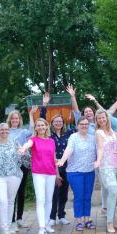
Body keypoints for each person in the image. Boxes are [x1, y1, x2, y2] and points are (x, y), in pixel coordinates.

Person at [19, 118, 58, 234]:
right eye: (38, 126)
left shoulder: (51, 141)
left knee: (49, 200)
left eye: (43, 125)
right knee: (40, 200)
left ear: (46, 127)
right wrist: (24, 148)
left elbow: (54, 157)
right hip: (38, 173)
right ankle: (41, 228)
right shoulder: (33, 140)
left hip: (51, 173)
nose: (40, 127)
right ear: (35, 128)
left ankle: (46, 225)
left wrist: (57, 173)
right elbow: (28, 144)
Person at [40, 93, 74, 226]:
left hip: (66, 166)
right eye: (56, 121)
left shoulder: (69, 133)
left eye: (60, 121)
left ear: (63, 123)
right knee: (54, 193)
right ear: (52, 124)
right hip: (53, 167)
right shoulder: (49, 136)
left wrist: (72, 98)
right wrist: (44, 105)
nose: (58, 123)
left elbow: (79, 121)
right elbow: (41, 120)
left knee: (64, 193)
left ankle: (62, 215)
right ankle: (52, 217)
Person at [57, 117, 97, 231]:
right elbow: (69, 149)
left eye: (86, 124)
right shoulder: (73, 137)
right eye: (81, 124)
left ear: (89, 125)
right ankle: (79, 221)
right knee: (79, 196)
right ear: (77, 125)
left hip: (89, 172)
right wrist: (62, 160)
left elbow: (98, 151)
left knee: (87, 196)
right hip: (75, 172)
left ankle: (87, 219)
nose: (84, 126)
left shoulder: (93, 138)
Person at [6, 107, 36, 232]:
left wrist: (31, 115)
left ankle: (19, 218)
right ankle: (11, 220)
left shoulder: (23, 132)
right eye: (13, 118)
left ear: (19, 120)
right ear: (10, 120)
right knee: (12, 193)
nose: (15, 120)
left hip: (23, 164)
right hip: (12, 165)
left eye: (17, 118)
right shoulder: (6, 131)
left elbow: (32, 130)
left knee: (21, 192)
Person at [94, 108, 117, 233]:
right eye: (99, 118)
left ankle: (114, 218)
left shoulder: (112, 131)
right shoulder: (98, 133)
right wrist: (99, 161)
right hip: (106, 167)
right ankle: (109, 222)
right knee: (113, 190)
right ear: (97, 120)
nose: (101, 119)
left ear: (107, 118)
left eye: (103, 117)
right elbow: (100, 149)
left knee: (114, 195)